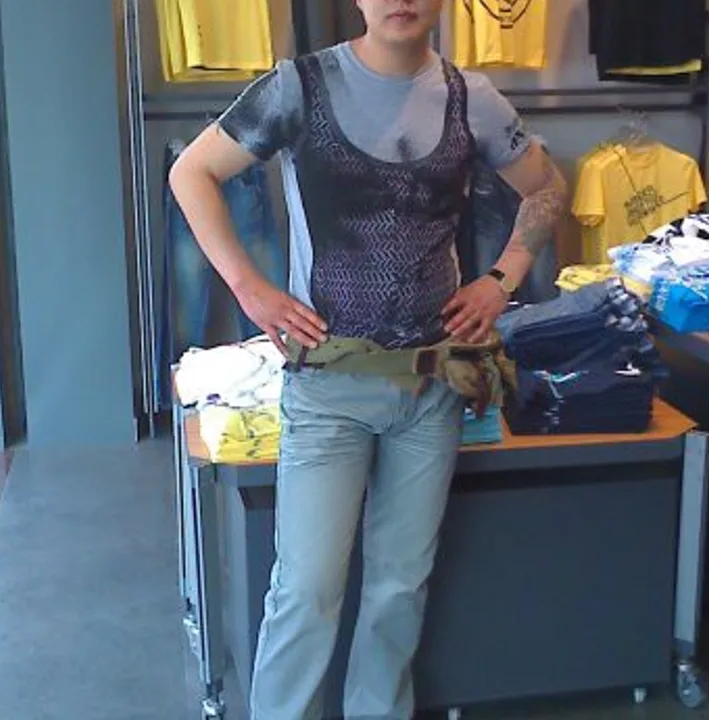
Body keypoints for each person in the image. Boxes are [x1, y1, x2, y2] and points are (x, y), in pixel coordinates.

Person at [168, 1, 566, 717]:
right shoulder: (297, 88)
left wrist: (501, 280)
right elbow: (192, 172)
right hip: (328, 388)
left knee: (399, 588)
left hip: (431, 388)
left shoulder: (470, 98)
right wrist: (251, 289)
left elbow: (546, 186)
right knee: (306, 591)